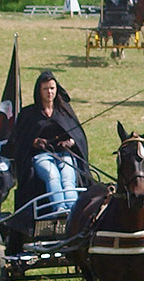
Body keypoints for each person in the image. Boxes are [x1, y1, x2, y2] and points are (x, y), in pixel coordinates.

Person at [6, 70, 89, 216]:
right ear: (39, 91)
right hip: (42, 156)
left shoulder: (64, 111)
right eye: (45, 89)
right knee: (52, 175)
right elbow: (20, 139)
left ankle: (73, 211)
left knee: (68, 176)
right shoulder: (29, 113)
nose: (49, 92)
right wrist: (35, 142)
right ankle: (60, 209)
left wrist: (70, 142)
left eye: (52, 88)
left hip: (64, 154)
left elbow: (78, 136)